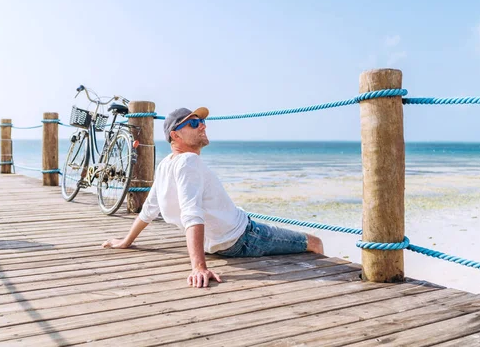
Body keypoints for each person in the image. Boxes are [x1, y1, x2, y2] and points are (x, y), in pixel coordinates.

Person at [102, 107, 324, 288]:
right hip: (244, 237)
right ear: (175, 135)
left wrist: (126, 242)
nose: (203, 126)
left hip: (218, 242)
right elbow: (191, 214)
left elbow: (149, 210)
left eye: (202, 122)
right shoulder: (189, 162)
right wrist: (198, 267)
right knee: (314, 242)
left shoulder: (165, 164)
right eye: (194, 123)